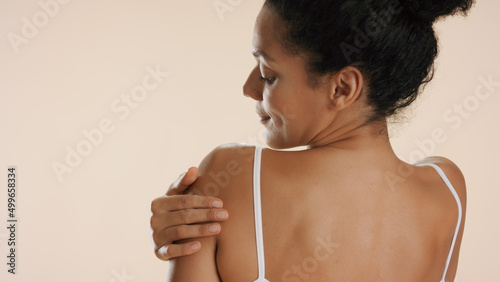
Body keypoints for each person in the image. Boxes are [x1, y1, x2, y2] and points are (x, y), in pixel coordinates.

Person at [151, 0, 473, 280]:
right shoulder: (447, 189)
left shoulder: (234, 175)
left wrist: (183, 246)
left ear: (342, 88)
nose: (249, 88)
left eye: (268, 75)